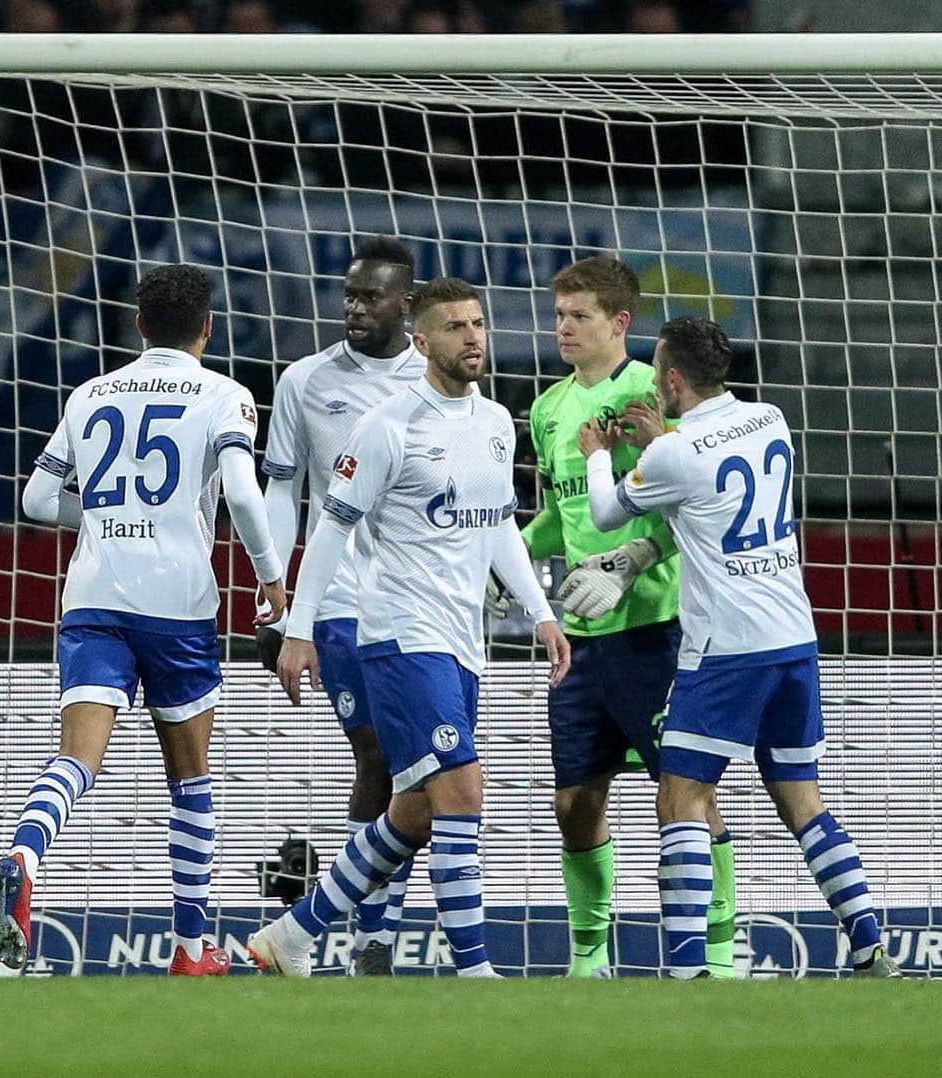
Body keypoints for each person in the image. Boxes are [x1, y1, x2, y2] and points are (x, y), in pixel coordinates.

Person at [246, 276, 571, 977]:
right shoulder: (389, 426)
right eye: (456, 327)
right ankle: (477, 972)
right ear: (422, 341)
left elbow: (499, 527)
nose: (474, 337)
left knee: (417, 811)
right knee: (462, 790)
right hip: (397, 632)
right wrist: (298, 628)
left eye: (479, 323)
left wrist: (541, 612)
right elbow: (332, 529)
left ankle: (295, 934)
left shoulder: (493, 422)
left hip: (463, 641)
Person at [579, 315, 900, 979]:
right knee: (802, 801)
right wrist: (664, 439)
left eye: (657, 372)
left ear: (672, 379)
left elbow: (608, 511)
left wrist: (598, 455)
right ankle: (869, 947)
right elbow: (709, 478)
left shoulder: (671, 453)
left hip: (726, 646)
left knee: (682, 795)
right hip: (794, 638)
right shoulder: (770, 418)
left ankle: (689, 968)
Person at [0, 264, 286, 977]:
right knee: (189, 777)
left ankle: (25, 852)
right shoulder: (226, 395)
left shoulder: (91, 393)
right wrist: (273, 578)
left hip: (93, 595)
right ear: (209, 328)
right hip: (175, 604)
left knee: (76, 762)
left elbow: (35, 500)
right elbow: (244, 496)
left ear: (139, 324)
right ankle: (189, 949)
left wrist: (105, 517)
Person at [513, 257, 737, 977]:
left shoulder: (653, 391)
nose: (564, 329)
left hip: (656, 631)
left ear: (620, 322)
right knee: (575, 799)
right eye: (559, 316)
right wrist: (507, 558)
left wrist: (637, 556)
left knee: (687, 792)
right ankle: (590, 953)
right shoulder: (547, 410)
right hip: (581, 641)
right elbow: (562, 514)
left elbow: (697, 506)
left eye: (579, 316)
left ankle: (721, 950)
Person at [257, 236, 424, 975]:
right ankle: (371, 938)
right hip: (342, 599)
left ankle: (371, 933)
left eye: (370, 296)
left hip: (426, 600)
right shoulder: (304, 381)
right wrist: (276, 589)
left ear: (407, 304)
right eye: (349, 295)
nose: (354, 308)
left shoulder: (438, 379)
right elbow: (282, 492)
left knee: (419, 768)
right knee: (378, 753)